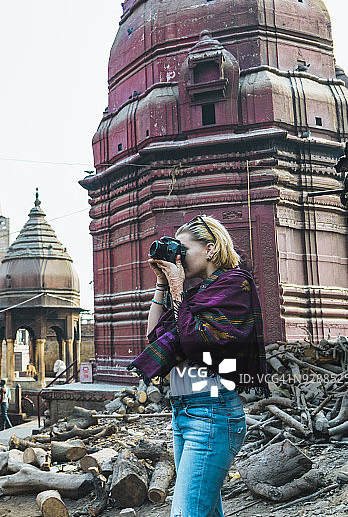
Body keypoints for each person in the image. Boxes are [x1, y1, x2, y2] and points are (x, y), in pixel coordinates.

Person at [127, 215, 268, 517]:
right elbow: (154, 337)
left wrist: (178, 288)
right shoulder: (196, 295)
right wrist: (162, 284)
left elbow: (198, 343)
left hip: (213, 414)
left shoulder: (235, 284)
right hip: (184, 414)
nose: (179, 257)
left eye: (184, 249)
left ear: (210, 248)